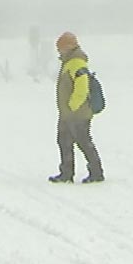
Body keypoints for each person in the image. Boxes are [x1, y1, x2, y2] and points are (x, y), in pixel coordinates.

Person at [49, 31, 104, 184]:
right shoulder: (69, 62)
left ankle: (96, 172)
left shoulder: (77, 63)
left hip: (77, 114)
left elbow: (82, 87)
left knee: (83, 142)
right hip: (69, 114)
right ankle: (66, 173)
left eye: (60, 48)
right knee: (64, 141)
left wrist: (72, 106)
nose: (59, 51)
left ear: (68, 47)